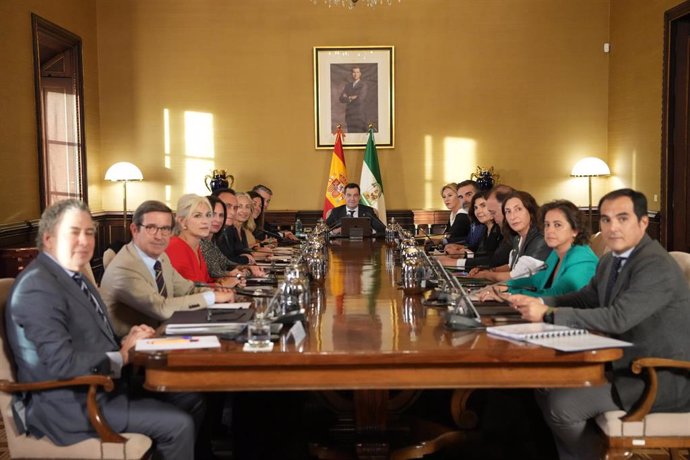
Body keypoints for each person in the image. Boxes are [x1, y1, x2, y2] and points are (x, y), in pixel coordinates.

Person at [6, 199, 203, 460]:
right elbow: (58, 363)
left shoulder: (73, 277)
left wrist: (131, 338)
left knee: (191, 396)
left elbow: (93, 338)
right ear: (49, 238)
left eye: (89, 233)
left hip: (104, 386)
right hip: (70, 404)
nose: (84, 241)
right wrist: (122, 356)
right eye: (73, 233)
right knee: (179, 424)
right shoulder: (38, 286)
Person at [509, 189, 690, 460]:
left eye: (622, 218)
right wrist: (539, 302)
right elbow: (586, 297)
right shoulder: (611, 260)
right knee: (543, 387)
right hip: (621, 362)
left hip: (655, 376)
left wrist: (547, 313)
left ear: (643, 222)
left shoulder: (654, 265)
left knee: (561, 405)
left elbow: (617, 318)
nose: (612, 227)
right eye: (605, 220)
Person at [101, 200, 235, 337]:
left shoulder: (161, 258)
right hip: (133, 347)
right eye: (151, 228)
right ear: (135, 230)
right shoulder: (125, 268)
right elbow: (161, 308)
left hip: (164, 333)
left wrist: (219, 294)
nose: (159, 236)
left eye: (165, 229)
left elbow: (188, 289)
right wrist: (212, 296)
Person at [479, 200, 597, 300]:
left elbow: (555, 295)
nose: (549, 230)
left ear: (575, 230)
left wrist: (507, 294)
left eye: (557, 225)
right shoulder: (556, 254)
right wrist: (505, 286)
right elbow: (536, 280)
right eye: (547, 225)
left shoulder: (582, 259)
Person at [470, 190, 549, 282]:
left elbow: (516, 276)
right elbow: (511, 266)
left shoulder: (540, 238)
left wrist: (486, 275)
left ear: (530, 211)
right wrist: (488, 270)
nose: (512, 216)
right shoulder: (517, 238)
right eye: (508, 211)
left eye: (518, 209)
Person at [339, 66, 368, 133]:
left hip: (359, 116)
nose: (355, 74)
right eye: (354, 72)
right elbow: (341, 99)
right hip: (349, 116)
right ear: (351, 74)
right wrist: (351, 97)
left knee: (359, 138)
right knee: (351, 138)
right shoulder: (348, 86)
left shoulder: (363, 85)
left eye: (357, 72)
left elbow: (360, 99)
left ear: (360, 74)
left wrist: (347, 96)